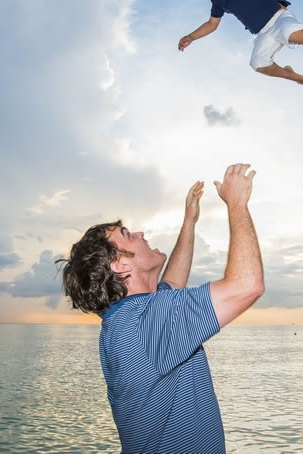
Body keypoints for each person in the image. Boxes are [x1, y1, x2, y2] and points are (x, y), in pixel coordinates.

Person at [58, 163, 263, 454]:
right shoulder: (148, 323)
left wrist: (189, 220)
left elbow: (171, 285)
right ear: (120, 265)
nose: (140, 233)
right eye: (127, 234)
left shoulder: (126, 321)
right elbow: (247, 285)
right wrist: (237, 203)